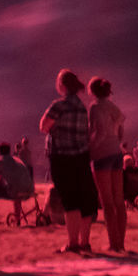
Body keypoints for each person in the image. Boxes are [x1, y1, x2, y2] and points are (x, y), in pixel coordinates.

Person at [40, 69, 98, 254]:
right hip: (81, 157)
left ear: (62, 86)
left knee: (70, 200)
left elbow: (43, 127)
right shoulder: (82, 107)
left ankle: (73, 243)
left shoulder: (58, 106)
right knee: (84, 200)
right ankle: (85, 241)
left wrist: (56, 128)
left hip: (62, 157)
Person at [87, 77, 127, 252]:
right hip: (116, 153)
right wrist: (116, 141)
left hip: (102, 154)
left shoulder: (95, 107)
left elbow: (99, 131)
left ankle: (113, 243)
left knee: (107, 202)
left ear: (92, 91)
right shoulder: (113, 107)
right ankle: (121, 243)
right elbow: (120, 130)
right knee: (119, 200)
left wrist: (91, 148)